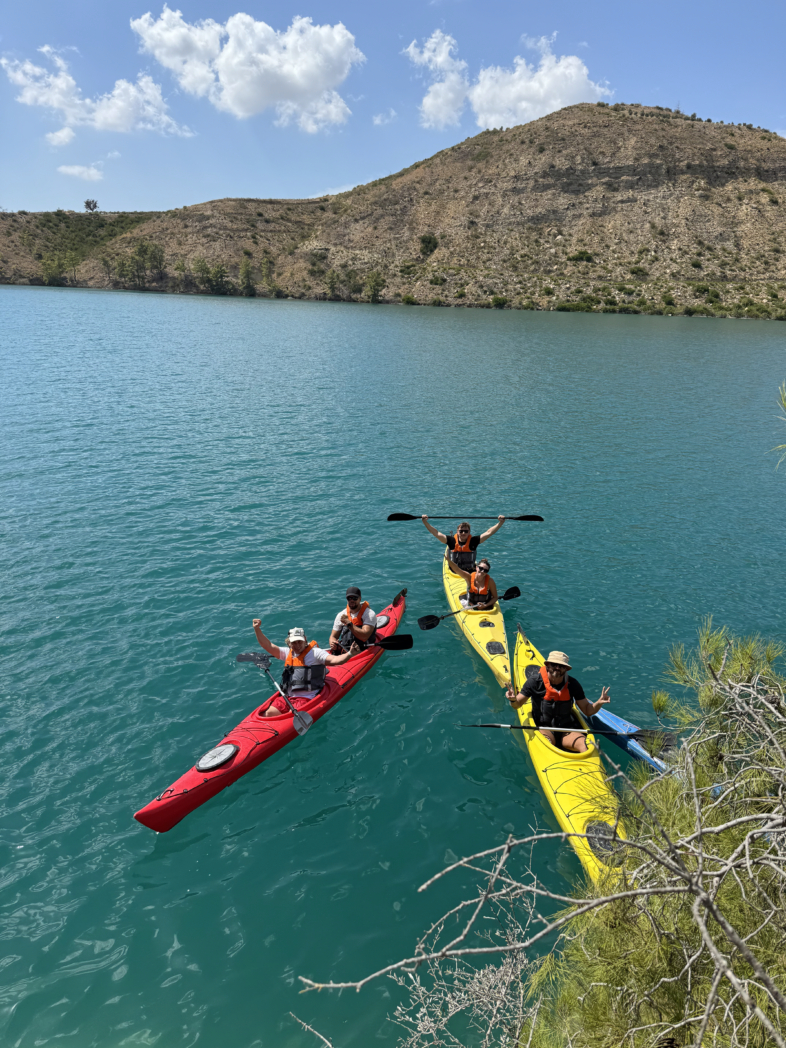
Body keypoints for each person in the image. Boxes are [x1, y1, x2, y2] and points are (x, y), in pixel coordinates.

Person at [505, 650, 611, 754]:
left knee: (585, 745)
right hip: (544, 728)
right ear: (547, 665)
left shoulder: (573, 684)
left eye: (561, 666)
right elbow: (517, 704)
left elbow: (588, 710)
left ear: (566, 669)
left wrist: (599, 703)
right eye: (554, 664)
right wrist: (513, 699)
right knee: (546, 744)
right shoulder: (534, 682)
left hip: (567, 730)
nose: (557, 668)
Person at [252, 621, 358, 716]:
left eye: (300, 641)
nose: (297, 645)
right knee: (268, 713)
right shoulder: (288, 652)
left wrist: (349, 654)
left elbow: (335, 660)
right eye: (294, 642)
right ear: (289, 643)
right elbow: (268, 645)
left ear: (305, 640)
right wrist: (257, 629)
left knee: (289, 716)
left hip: (306, 698)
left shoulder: (315, 653)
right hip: (287, 697)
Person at [421, 515, 505, 572]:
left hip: (470, 571)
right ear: (457, 532)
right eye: (461, 531)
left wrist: (500, 523)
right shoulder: (451, 541)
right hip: (454, 572)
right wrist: (425, 522)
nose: (463, 533)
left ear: (469, 532)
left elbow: (489, 532)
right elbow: (436, 533)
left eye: (466, 531)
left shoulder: (473, 541)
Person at [329, 586, 378, 653]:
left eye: (354, 598)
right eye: (349, 598)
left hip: (363, 649)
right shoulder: (341, 615)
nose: (351, 600)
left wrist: (349, 624)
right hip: (346, 651)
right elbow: (333, 636)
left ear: (360, 599)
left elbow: (364, 637)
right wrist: (333, 643)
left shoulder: (369, 614)